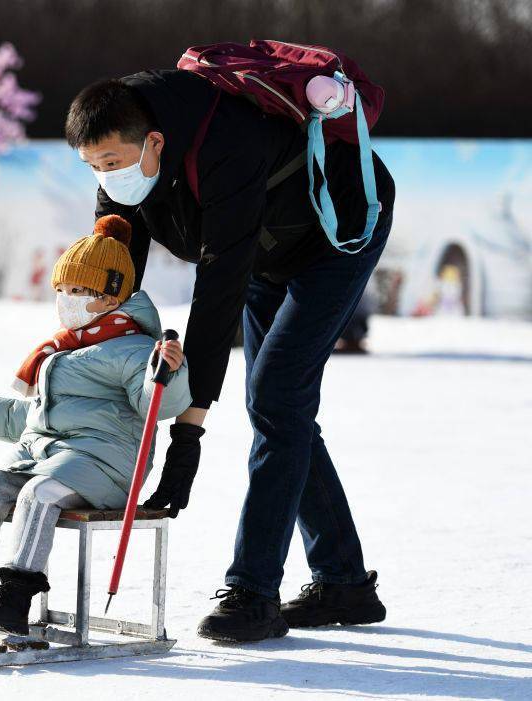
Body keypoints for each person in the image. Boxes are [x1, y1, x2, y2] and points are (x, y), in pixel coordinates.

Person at [65, 71, 395, 641]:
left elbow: (218, 288)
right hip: (270, 244)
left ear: (155, 141)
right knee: (277, 408)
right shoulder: (121, 168)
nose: (105, 175)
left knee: (276, 398)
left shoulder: (228, 142)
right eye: (93, 164)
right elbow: (117, 279)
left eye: (113, 161)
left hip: (337, 232)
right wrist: (88, 352)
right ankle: (344, 582)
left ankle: (253, 592)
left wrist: (188, 432)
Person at [0, 215, 191, 634]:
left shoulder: (134, 350)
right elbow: (42, 417)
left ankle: (15, 597)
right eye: (62, 290)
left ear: (112, 295)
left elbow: (157, 407)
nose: (66, 300)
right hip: (51, 457)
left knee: (39, 493)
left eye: (79, 291)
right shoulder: (65, 350)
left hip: (106, 467)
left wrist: (167, 373)